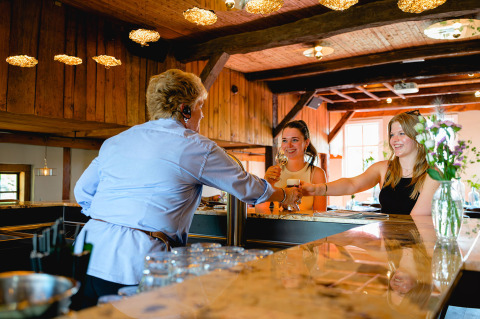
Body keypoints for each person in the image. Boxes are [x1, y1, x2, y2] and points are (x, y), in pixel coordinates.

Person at [73, 69, 301, 307]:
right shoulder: (196, 146)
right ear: (185, 109)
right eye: (200, 107)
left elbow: (83, 192)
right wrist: (284, 195)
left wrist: (113, 219)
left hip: (87, 250)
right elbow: (247, 187)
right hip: (135, 263)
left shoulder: (116, 141)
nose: (202, 115)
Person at [301, 111, 439, 215]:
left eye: (402, 133)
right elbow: (352, 184)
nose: (394, 139)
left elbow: (416, 221)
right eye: (392, 134)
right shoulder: (383, 168)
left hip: (416, 248)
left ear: (418, 137)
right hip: (388, 245)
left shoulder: (433, 174)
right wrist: (316, 189)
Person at [259, 120, 327, 212]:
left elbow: (320, 215)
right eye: (284, 140)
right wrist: (268, 183)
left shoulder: (317, 174)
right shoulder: (273, 172)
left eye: (294, 140)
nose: (289, 145)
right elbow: (260, 211)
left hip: (304, 226)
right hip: (276, 226)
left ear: (306, 142)